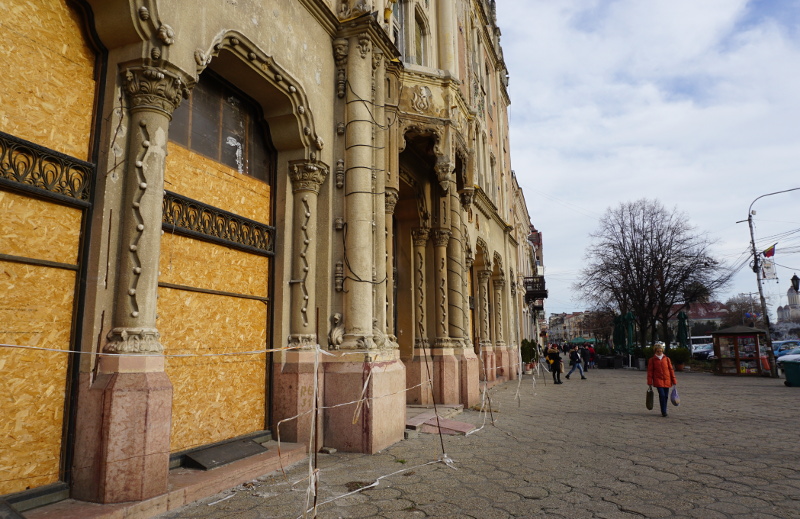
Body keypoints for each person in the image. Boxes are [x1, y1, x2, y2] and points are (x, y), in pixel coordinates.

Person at [647, 342, 677, 417]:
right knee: (662, 395)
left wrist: (674, 380)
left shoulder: (667, 359)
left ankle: (664, 409)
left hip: (667, 379)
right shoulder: (652, 360)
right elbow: (650, 371)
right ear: (655, 351)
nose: (659, 352)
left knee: (666, 396)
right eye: (658, 351)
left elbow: (671, 370)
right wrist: (649, 382)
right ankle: (663, 411)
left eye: (661, 351)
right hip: (658, 380)